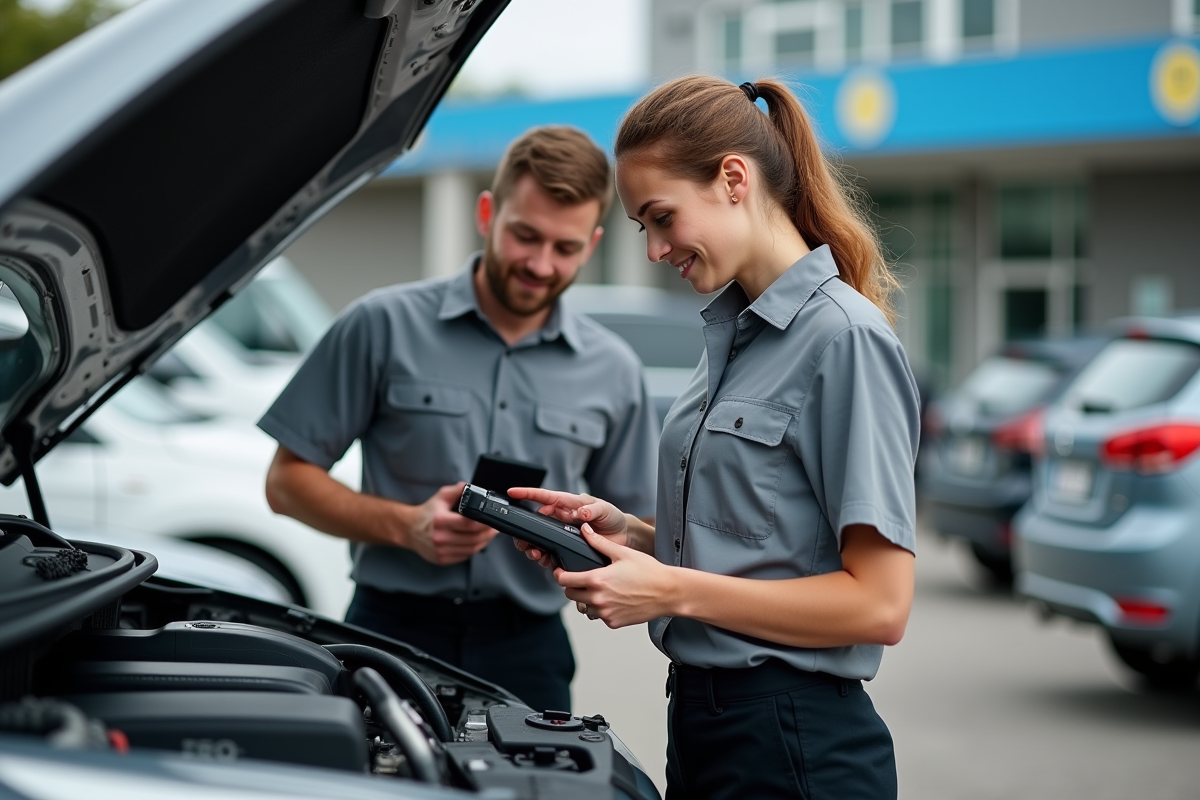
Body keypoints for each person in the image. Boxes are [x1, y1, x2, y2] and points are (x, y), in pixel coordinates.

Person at [510, 77, 920, 800]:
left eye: (662, 217)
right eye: (643, 226)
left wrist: (666, 589)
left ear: (734, 178)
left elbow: (879, 606)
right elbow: (764, 548)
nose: (655, 249)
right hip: (707, 726)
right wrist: (631, 537)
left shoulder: (843, 340)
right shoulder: (732, 339)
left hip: (794, 744)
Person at [259, 126, 659, 714]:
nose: (541, 264)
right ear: (487, 212)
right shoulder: (380, 325)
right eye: (525, 235)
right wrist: (406, 525)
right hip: (387, 634)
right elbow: (285, 484)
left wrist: (579, 541)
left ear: (592, 242)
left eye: (565, 247)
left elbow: (641, 525)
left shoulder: (615, 369)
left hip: (528, 649)